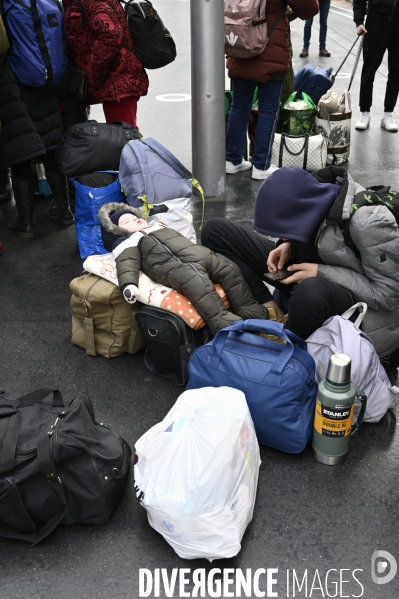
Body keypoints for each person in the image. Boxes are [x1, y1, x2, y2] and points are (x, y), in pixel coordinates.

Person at [201, 166, 399, 366]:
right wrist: (289, 244)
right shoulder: (315, 195)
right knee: (216, 231)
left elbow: (388, 295)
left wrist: (320, 272)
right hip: (314, 276)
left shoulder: (369, 222)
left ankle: (285, 353)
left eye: (285, 230)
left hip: (361, 306)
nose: (281, 236)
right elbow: (318, 236)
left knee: (310, 290)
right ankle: (271, 313)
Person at [98, 203, 270, 336]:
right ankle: (221, 320)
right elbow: (127, 263)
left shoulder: (159, 227)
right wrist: (128, 284)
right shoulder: (129, 243)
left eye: (135, 216)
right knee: (198, 284)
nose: (135, 219)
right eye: (126, 221)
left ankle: (248, 306)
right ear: (119, 232)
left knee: (230, 269)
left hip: (202, 255)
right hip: (178, 268)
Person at [225, 0, 318, 181]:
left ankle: (232, 159)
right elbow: (308, 9)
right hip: (269, 49)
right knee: (268, 111)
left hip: (240, 43)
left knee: (239, 107)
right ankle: (261, 165)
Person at [0, 61, 74, 238]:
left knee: (20, 151)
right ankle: (65, 211)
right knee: (50, 144)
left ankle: (25, 222)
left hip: (11, 79)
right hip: (41, 73)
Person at [64, 0, 149, 129]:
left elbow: (111, 35)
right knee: (124, 136)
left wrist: (91, 76)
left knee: (125, 139)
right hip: (113, 77)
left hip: (117, 80)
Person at [353, 0, 399, 132]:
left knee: (396, 71)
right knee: (369, 68)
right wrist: (359, 20)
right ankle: (365, 112)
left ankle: (388, 113)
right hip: (376, 19)